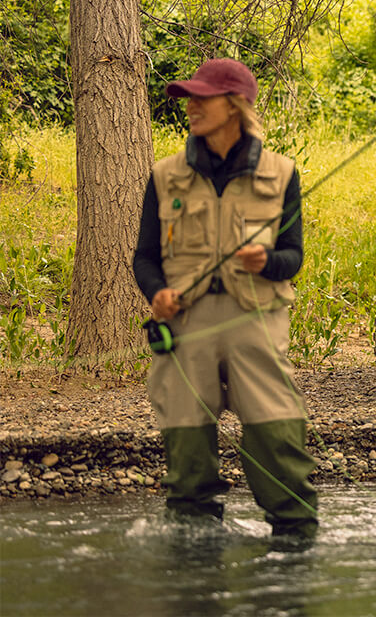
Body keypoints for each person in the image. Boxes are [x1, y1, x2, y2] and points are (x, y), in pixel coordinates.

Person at [132, 58, 318, 545]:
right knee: (186, 439)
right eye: (188, 99)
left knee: (274, 430)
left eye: (202, 98)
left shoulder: (281, 173)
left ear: (235, 105)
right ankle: (193, 547)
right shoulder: (164, 175)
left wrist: (267, 261)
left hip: (255, 321)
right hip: (187, 324)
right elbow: (145, 257)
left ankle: (295, 541)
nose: (191, 107)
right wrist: (156, 293)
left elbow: (294, 256)